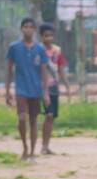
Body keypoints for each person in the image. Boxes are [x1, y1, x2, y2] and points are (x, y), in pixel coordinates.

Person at [5, 17, 51, 160]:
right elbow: (9, 70)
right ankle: (24, 146)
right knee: (22, 118)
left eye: (31, 27)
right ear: (21, 29)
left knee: (33, 120)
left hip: (35, 89)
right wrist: (7, 90)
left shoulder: (40, 49)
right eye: (25, 26)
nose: (28, 29)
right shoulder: (14, 47)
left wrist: (46, 92)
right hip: (21, 89)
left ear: (34, 30)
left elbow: (44, 72)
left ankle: (32, 151)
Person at [39, 24, 69, 155]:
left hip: (54, 86)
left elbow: (61, 69)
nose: (49, 38)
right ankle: (42, 145)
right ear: (41, 36)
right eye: (46, 35)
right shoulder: (38, 50)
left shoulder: (57, 51)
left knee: (51, 117)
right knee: (48, 114)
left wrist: (66, 85)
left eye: (50, 35)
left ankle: (46, 145)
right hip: (40, 87)